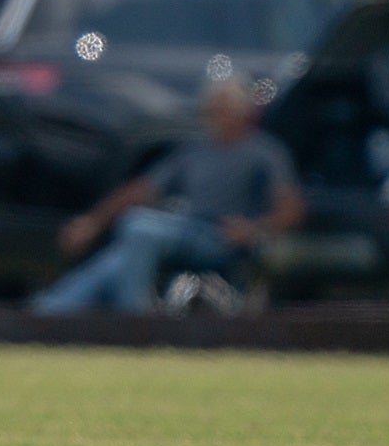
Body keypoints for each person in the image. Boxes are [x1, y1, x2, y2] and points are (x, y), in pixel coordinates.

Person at [30, 77, 305, 314]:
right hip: (185, 229)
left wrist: (257, 228)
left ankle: (135, 322)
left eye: (222, 111)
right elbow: (140, 190)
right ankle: (50, 310)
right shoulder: (194, 151)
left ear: (243, 113)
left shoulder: (264, 153)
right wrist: (92, 222)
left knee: (139, 228)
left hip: (223, 238)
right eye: (211, 111)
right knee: (123, 254)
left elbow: (292, 207)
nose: (215, 118)